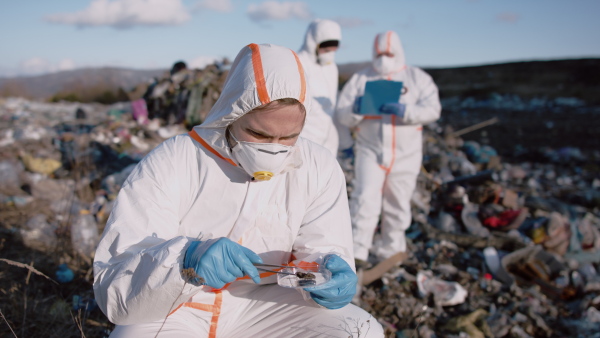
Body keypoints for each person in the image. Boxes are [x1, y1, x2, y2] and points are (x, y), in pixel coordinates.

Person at [93, 43, 383, 337]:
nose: (273, 148)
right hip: (181, 303)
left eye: (288, 137)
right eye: (258, 134)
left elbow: (322, 249)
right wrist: (185, 260)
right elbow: (115, 287)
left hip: (266, 306)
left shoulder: (317, 165)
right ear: (232, 113)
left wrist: (330, 272)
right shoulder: (176, 159)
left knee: (360, 331)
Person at [335, 31, 441, 268]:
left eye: (389, 53)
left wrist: (407, 111)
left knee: (398, 203)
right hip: (370, 150)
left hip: (406, 154)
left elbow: (433, 109)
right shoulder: (361, 78)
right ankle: (358, 250)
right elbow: (342, 114)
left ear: (399, 52)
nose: (384, 58)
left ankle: (391, 250)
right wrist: (356, 109)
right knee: (364, 199)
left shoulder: (417, 78)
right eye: (380, 53)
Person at [296, 19, 352, 157]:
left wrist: (346, 142)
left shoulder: (331, 68)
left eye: (333, 51)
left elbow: (333, 107)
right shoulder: (298, 63)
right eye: (326, 50)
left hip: (328, 144)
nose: (329, 54)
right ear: (313, 44)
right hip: (304, 142)